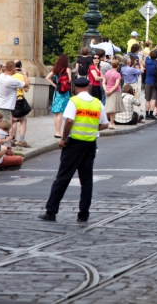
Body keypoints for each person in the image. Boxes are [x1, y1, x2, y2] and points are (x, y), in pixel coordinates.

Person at [39, 77, 109, 223]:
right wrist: (91, 128)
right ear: (88, 87)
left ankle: (51, 211)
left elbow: (69, 120)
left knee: (63, 178)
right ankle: (83, 214)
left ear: (75, 88)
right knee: (86, 181)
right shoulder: (97, 103)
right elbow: (105, 124)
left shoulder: (74, 101)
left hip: (74, 144)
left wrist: (63, 138)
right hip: (90, 144)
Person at [46, 54, 73, 139]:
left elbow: (47, 78)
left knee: (57, 113)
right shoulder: (68, 69)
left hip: (57, 92)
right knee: (61, 113)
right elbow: (70, 80)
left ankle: (56, 131)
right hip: (64, 92)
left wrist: (55, 85)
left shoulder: (55, 69)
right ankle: (58, 132)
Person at [103, 59, 124, 128]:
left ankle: (105, 122)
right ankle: (112, 123)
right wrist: (111, 91)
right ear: (118, 66)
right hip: (115, 92)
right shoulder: (117, 74)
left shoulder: (107, 72)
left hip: (108, 91)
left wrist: (106, 90)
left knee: (108, 107)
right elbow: (117, 85)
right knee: (113, 109)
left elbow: (104, 82)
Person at [143, 49, 157, 121]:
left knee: (147, 99)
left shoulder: (147, 61)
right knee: (154, 99)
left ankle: (147, 114)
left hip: (148, 81)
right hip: (155, 82)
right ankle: (151, 114)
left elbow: (146, 55)